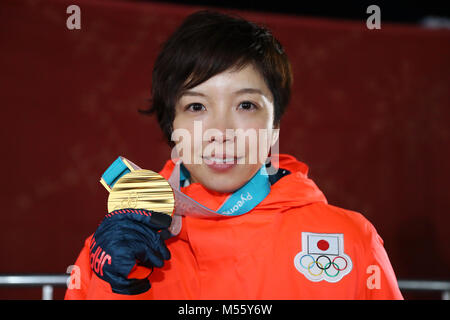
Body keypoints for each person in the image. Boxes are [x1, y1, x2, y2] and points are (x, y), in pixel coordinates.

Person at [65, 10, 403, 300]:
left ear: (275, 125)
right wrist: (105, 284)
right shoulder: (116, 246)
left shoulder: (351, 239)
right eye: (196, 106)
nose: (221, 130)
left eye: (246, 105)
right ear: (173, 127)